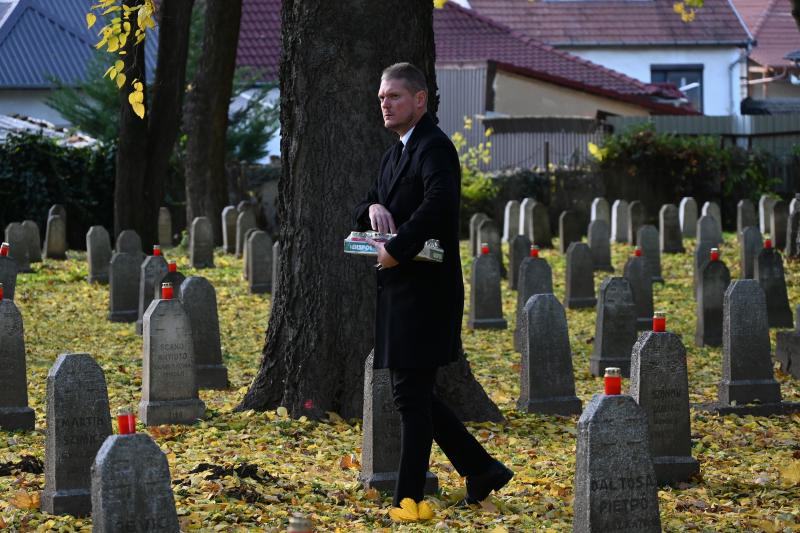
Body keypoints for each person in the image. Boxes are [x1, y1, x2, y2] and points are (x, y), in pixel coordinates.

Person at [352, 62, 513, 523]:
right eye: (382, 97)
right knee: (414, 395)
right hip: (399, 288)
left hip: (426, 291)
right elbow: (363, 202)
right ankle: (481, 469)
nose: (384, 103)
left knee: (410, 396)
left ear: (419, 100)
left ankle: (409, 500)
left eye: (394, 97)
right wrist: (375, 206)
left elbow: (439, 207)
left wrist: (398, 250)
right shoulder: (396, 151)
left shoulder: (434, 147)